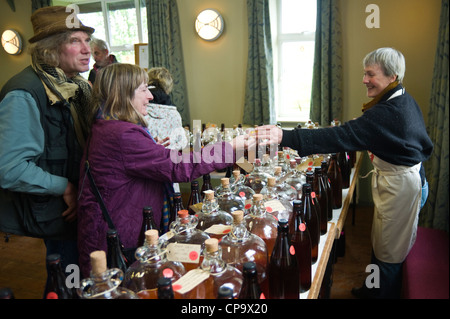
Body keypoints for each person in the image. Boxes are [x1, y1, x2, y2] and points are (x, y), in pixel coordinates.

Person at [256, 47, 433, 299]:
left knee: (390, 254)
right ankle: (372, 288)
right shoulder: (400, 97)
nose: (364, 80)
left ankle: (380, 294)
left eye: (371, 74)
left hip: (403, 188)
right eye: (364, 73)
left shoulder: (388, 112)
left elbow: (341, 136)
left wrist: (285, 136)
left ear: (392, 76)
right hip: (404, 181)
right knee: (381, 242)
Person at [77, 63, 252, 278]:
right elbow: (176, 167)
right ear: (122, 94)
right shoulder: (122, 134)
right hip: (115, 234)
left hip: (108, 226)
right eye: (143, 89)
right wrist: (230, 147)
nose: (150, 96)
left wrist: (154, 150)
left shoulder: (108, 126)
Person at [0, 6, 95, 292]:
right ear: (50, 51)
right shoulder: (24, 93)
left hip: (78, 201)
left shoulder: (75, 86)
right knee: (68, 278)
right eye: (74, 41)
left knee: (78, 273)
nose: (86, 49)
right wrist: (65, 187)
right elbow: (10, 168)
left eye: (87, 40)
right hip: (58, 208)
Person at [146, 67, 188, 151]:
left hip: (146, 159)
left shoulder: (139, 108)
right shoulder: (174, 114)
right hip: (169, 159)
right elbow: (182, 144)